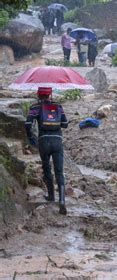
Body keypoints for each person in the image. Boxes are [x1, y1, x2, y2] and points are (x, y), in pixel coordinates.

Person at [25, 87, 69, 215]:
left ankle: (51, 196)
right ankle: (61, 200)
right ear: (50, 95)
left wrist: (31, 138)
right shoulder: (58, 106)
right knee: (59, 171)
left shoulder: (35, 107)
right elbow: (65, 124)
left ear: (38, 95)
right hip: (57, 141)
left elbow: (28, 125)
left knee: (46, 167)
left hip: (43, 141)